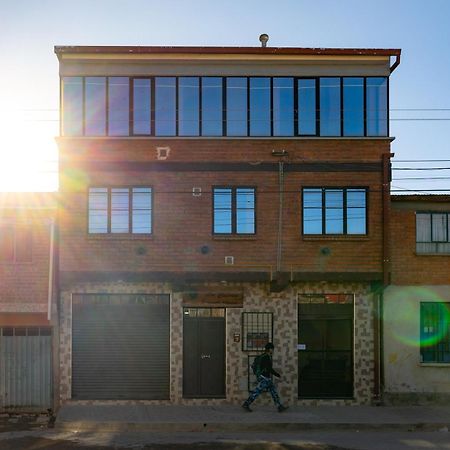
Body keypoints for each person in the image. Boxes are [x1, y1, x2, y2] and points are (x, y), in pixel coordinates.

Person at [242, 342, 288, 412]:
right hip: (264, 378)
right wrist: (278, 375)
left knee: (273, 392)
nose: (273, 350)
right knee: (256, 392)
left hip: (266, 378)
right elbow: (269, 369)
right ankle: (246, 404)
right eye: (272, 349)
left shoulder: (264, 356)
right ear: (270, 349)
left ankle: (279, 406)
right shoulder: (266, 357)